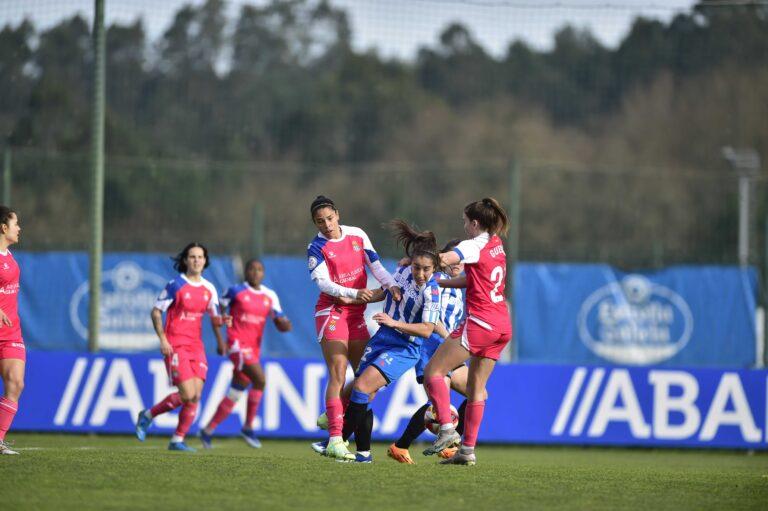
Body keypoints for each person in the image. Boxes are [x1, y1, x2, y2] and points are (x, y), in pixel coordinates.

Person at [329, 219, 442, 463]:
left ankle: (339, 439)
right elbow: (385, 291)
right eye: (416, 267)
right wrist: (357, 299)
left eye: (426, 269)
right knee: (359, 391)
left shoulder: (432, 291)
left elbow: (427, 329)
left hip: (405, 346)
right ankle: (361, 452)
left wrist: (394, 323)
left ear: (434, 269)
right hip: (383, 338)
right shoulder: (402, 271)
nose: (420, 274)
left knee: (360, 389)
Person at [307, 196, 401, 459]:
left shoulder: (357, 235)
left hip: (356, 313)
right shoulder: (316, 248)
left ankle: (333, 413)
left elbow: (376, 264)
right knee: (338, 373)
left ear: (337, 214)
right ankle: (336, 439)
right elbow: (324, 284)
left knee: (365, 381)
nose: (326, 224)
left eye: (329, 218)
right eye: (320, 221)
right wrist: (354, 292)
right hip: (332, 312)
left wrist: (391, 284)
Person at [422, 198, 512, 466]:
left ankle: (448, 430)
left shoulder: (472, 245)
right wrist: (442, 281)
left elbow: (447, 258)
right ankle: (467, 451)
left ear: (475, 223)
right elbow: (475, 279)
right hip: (502, 326)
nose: (463, 226)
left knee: (433, 372)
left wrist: (421, 261)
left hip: (480, 323)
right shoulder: (496, 243)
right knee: (476, 390)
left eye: (464, 221)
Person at [135, 242, 229, 452]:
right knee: (187, 394)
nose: (196, 260)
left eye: (200, 257)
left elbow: (214, 318)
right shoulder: (176, 285)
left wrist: (224, 328)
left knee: (195, 396)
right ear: (185, 260)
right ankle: (148, 415)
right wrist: (163, 339)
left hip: (197, 346)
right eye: (192, 257)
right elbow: (156, 311)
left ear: (205, 261)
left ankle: (177, 440)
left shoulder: (209, 289)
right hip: (175, 344)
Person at [386, 239, 472, 464]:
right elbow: (432, 321)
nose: (456, 264)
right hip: (433, 345)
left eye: (460, 260)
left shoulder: (462, 283)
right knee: (437, 404)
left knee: (478, 393)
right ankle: (402, 446)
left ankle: (453, 442)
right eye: (452, 259)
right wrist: (406, 263)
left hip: (450, 347)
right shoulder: (436, 280)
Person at [199, 259, 292, 449]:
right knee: (260, 380)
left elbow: (281, 322)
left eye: (259, 269)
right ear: (246, 272)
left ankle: (208, 430)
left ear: (263, 273)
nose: (255, 272)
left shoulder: (270, 295)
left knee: (236, 391)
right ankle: (248, 427)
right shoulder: (235, 291)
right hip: (237, 345)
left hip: (254, 350)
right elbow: (216, 313)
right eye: (252, 269)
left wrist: (285, 325)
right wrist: (220, 339)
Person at [0, 207, 23, 455]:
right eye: (15, 223)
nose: (19, 228)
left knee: (16, 384)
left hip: (11, 332)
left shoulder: (9, 257)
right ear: (3, 227)